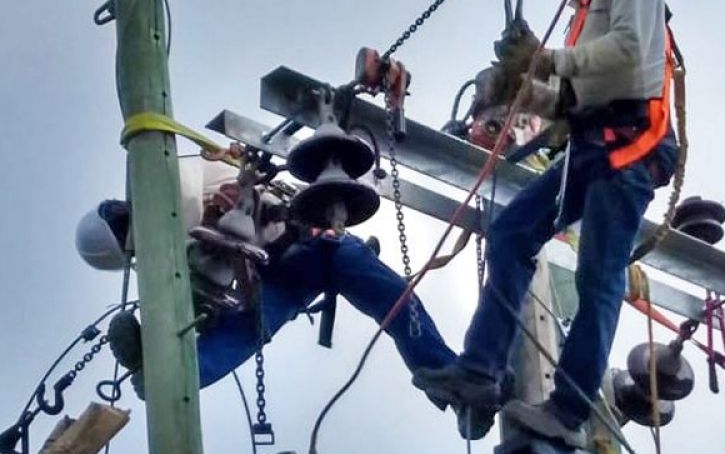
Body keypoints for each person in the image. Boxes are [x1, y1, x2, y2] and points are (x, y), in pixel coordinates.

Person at [413, 0, 679, 445]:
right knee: (512, 233)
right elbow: (573, 101)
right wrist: (520, 88)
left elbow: (631, 51)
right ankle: (481, 370)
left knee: (598, 278)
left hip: (632, 147)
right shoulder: (589, 3)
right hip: (594, 143)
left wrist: (547, 59)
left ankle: (569, 409)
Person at [74, 161, 457, 408]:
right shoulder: (168, 257)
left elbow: (208, 190)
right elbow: (205, 284)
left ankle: (449, 383)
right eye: (125, 226)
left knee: (392, 298)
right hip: (280, 271)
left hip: (315, 239)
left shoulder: (174, 177)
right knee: (245, 328)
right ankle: (166, 373)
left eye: (124, 218)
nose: (133, 220)